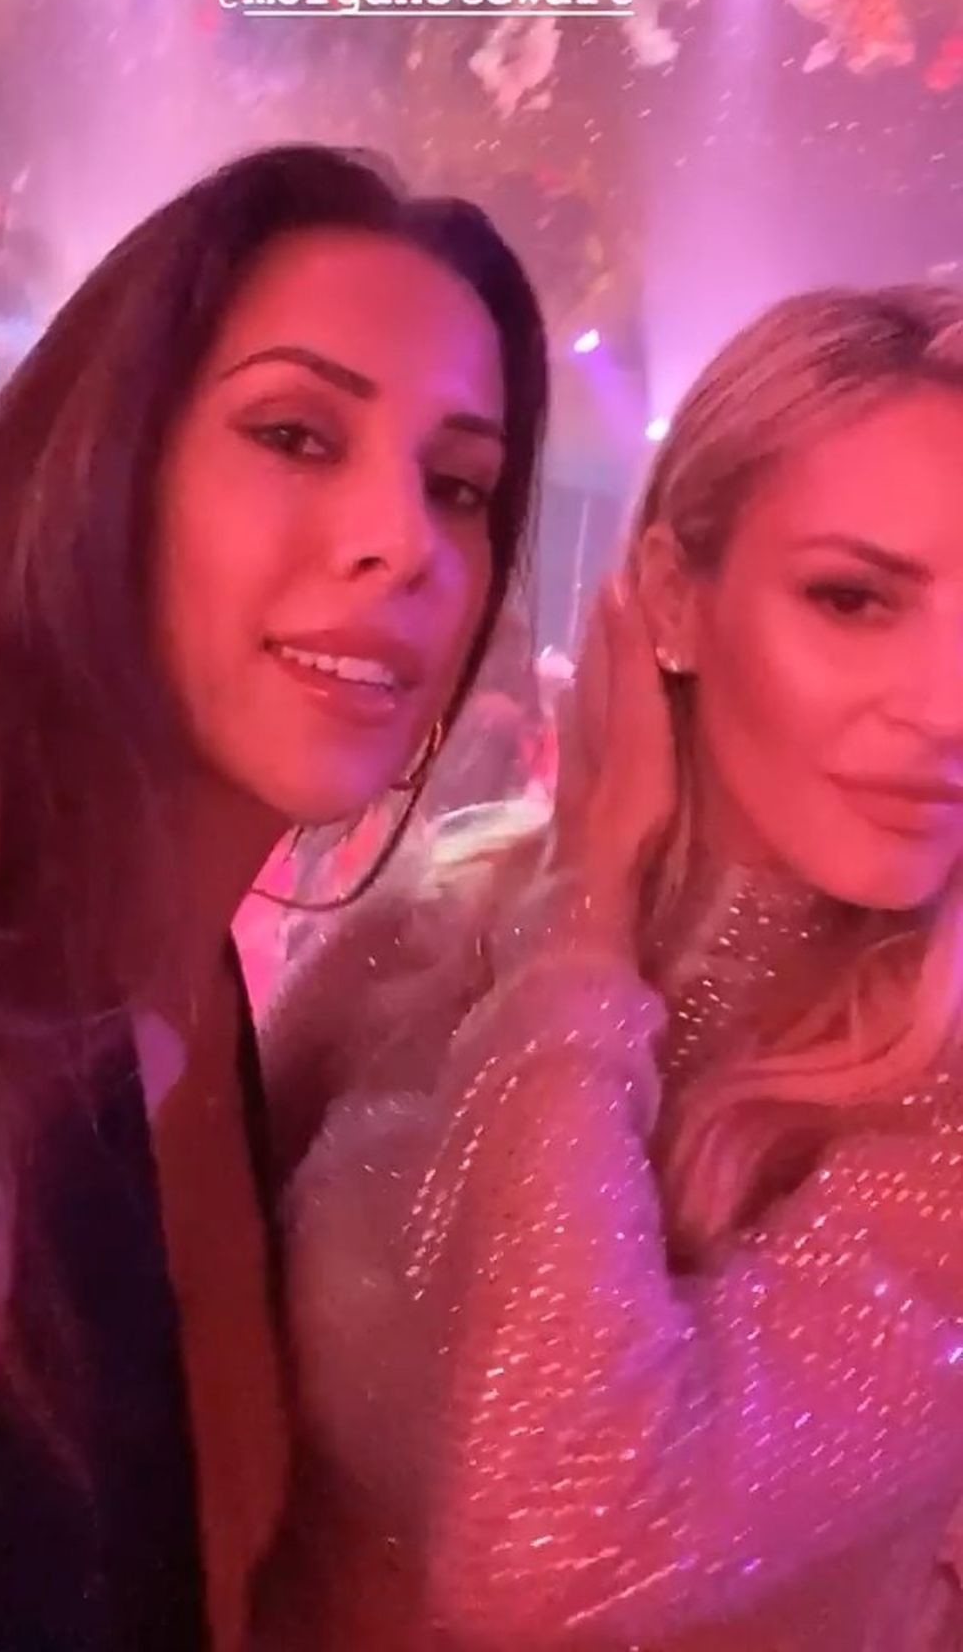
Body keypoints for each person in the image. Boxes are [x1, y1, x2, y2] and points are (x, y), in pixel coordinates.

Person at [0, 142, 549, 1651]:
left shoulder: (189, 992)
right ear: (105, 472)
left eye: (457, 486)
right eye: (297, 435)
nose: (405, 543)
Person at [261, 285, 963, 1651]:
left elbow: (552, 1547)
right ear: (670, 601)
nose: (947, 705)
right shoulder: (428, 928)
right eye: (854, 598)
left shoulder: (940, 1109)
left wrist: (586, 916)